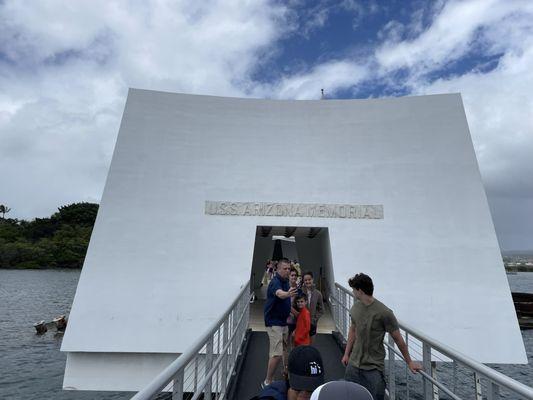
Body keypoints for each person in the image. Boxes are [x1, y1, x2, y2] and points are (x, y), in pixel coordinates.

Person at [341, 273, 422, 400]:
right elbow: (353, 330)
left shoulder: (384, 313)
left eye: (354, 289)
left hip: (373, 367)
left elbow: (398, 339)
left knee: (376, 397)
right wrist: (346, 354)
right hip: (353, 363)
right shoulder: (356, 307)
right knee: (349, 395)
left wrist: (409, 362)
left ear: (360, 291)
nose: (352, 292)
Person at [263, 258, 298, 387]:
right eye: (285, 268)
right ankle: (267, 381)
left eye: (289, 268)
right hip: (274, 322)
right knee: (276, 354)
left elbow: (286, 299)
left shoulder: (286, 281)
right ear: (278, 269)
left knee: (284, 349)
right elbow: (280, 294)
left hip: (283, 322)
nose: (287, 271)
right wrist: (288, 294)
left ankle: (285, 372)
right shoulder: (275, 282)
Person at [253, 345, 325, 400]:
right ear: (287, 376)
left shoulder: (323, 395)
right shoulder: (272, 396)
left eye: (311, 390)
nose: (303, 397)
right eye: (298, 389)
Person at [301, 272, 324, 340]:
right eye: (305, 280)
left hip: (312, 324)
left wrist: (314, 319)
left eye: (309, 279)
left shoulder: (318, 294)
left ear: (312, 279)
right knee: (301, 343)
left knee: (311, 344)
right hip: (301, 323)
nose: (307, 281)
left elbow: (321, 309)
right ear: (303, 281)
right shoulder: (300, 292)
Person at [287, 268, 302, 338]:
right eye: (292, 275)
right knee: (285, 341)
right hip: (286, 319)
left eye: (295, 275)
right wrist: (294, 312)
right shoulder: (284, 288)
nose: (294, 277)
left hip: (296, 320)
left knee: (294, 341)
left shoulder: (299, 290)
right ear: (288, 276)